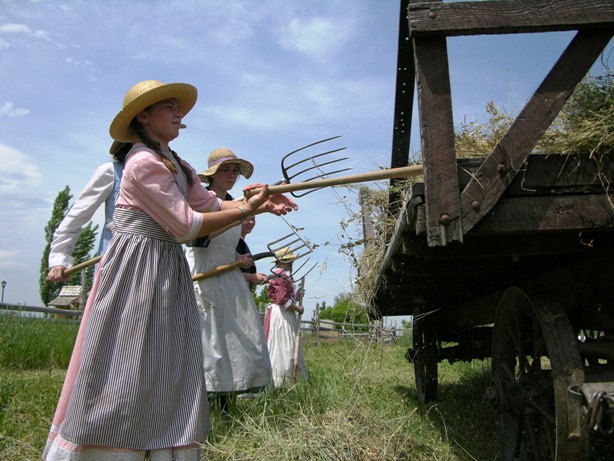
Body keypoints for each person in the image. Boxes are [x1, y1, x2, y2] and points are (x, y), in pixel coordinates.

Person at [43, 79, 297, 461]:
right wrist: (59, 258)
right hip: (134, 266)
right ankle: (109, 446)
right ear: (142, 116)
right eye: (169, 106)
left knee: (168, 356)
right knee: (125, 357)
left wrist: (259, 203)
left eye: (180, 106)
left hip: (166, 265)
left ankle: (159, 439)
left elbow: (210, 205)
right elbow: (187, 225)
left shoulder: (178, 164)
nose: (180, 112)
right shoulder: (140, 163)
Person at [185, 148, 273, 412]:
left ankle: (228, 398)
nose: (232, 175)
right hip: (205, 273)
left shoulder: (236, 203)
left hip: (228, 274)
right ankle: (205, 399)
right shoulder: (200, 201)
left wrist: (238, 257)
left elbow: (227, 242)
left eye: (235, 170)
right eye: (226, 170)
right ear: (211, 175)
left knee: (238, 336)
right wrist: (243, 212)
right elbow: (198, 239)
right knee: (210, 338)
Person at [45, 140, 131, 283]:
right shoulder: (112, 172)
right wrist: (60, 258)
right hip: (116, 269)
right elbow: (76, 217)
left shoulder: (170, 175)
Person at [264, 248, 308, 387]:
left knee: (286, 346)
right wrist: (298, 308)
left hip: (284, 313)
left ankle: (287, 380)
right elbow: (282, 300)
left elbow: (285, 297)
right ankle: (280, 381)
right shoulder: (280, 276)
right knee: (283, 347)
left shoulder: (282, 275)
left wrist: (297, 296)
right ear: (288, 261)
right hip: (281, 315)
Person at [237, 216, 269, 292]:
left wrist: (253, 279)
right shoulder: (235, 243)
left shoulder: (242, 244)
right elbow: (224, 272)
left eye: (253, 219)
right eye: (247, 219)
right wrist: (252, 277)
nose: (251, 222)